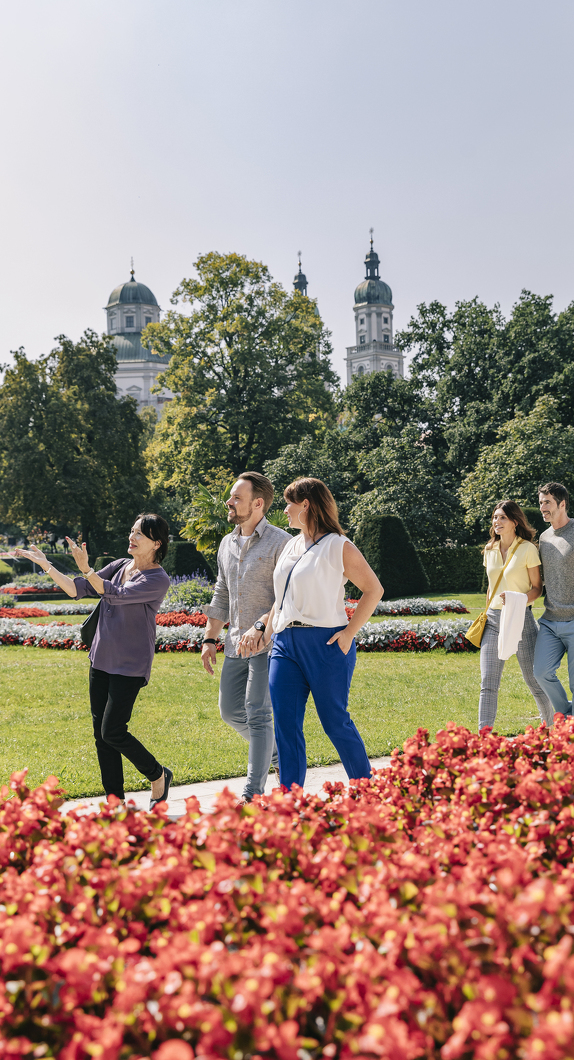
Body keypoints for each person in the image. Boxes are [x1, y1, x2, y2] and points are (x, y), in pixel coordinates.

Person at [13, 515, 172, 808]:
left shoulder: (157, 579)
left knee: (113, 731)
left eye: (140, 533)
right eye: (132, 530)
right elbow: (77, 589)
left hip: (130, 666)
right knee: (102, 737)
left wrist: (87, 569)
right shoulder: (121, 566)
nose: (132, 536)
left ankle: (158, 774)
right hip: (100, 659)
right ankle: (115, 804)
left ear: (156, 543)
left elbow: (116, 594)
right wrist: (46, 564)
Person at [243, 477, 383, 791]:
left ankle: (367, 793)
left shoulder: (338, 545)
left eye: (289, 503)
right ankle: (292, 800)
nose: (285, 509)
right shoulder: (292, 545)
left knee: (335, 722)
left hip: (326, 644)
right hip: (285, 645)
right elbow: (282, 597)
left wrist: (349, 633)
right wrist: (264, 627)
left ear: (306, 504)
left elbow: (374, 589)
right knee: (286, 726)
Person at [201, 472, 291, 803]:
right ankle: (279, 756)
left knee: (257, 712)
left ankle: (252, 795)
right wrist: (211, 637)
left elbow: (285, 597)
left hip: (268, 642)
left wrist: (261, 627)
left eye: (236, 498)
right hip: (235, 642)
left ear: (258, 503)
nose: (229, 502)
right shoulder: (227, 543)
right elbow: (222, 592)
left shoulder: (281, 542)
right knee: (230, 711)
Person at [479, 500, 554, 733]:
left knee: (534, 679)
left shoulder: (528, 549)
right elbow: (491, 587)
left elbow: (537, 588)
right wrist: (487, 609)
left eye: (502, 517)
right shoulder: (489, 550)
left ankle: (551, 728)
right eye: (494, 517)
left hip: (521, 618)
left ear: (514, 521)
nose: (497, 522)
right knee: (488, 683)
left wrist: (516, 600)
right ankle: (484, 736)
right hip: (493, 621)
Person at [533, 482, 574, 717]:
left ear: (562, 503)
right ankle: (566, 714)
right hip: (549, 620)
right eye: (540, 503)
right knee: (541, 672)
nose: (542, 508)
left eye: (547, 502)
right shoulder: (545, 538)